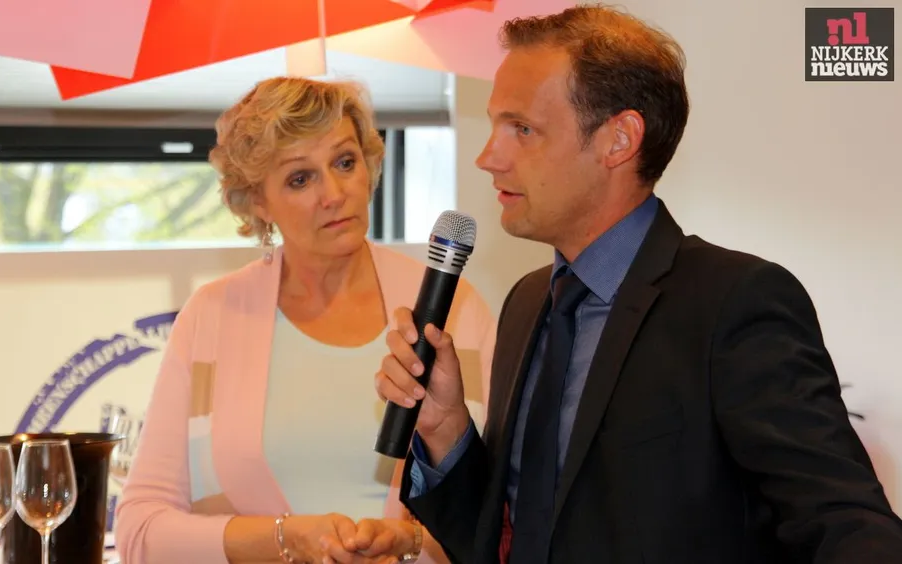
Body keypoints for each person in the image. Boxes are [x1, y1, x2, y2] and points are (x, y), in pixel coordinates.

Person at [375, 5, 902, 564]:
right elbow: (503, 540)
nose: (488, 158)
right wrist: (446, 430)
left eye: (522, 129)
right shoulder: (527, 302)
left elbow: (842, 521)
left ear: (619, 140)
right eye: (494, 126)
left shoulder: (734, 303)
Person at [116, 76, 496, 564]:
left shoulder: (454, 308)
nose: (334, 193)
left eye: (344, 162)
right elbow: (141, 531)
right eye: (300, 178)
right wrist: (285, 539)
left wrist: (411, 543)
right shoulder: (211, 315)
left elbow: (505, 516)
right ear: (257, 200)